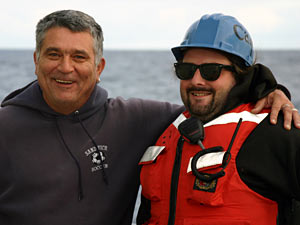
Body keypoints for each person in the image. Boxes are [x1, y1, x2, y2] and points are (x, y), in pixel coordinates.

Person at [0, 10, 297, 225]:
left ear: (99, 66)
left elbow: (218, 107)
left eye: (211, 71)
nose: (66, 68)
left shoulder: (274, 131)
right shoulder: (6, 126)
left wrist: (270, 89)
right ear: (36, 60)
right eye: (54, 55)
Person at [137, 14, 300, 225]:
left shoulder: (276, 132)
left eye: (211, 71)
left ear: (240, 74)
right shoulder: (166, 134)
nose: (196, 81)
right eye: (186, 70)